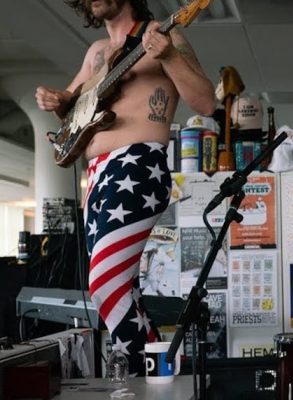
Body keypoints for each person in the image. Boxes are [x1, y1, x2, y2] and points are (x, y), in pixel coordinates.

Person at [35, 0, 214, 374]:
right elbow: (73, 111)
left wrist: (168, 57)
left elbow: (206, 101)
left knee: (104, 282)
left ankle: (148, 369)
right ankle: (158, 371)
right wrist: (59, 101)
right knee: (122, 290)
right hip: (97, 176)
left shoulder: (164, 34)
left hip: (138, 164)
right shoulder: (96, 52)